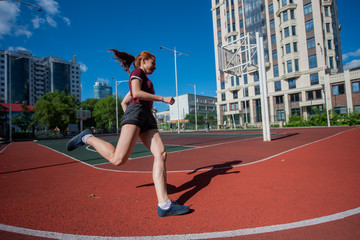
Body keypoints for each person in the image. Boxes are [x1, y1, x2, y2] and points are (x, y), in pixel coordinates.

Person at [66, 49, 189, 217]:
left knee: (161, 153)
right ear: (144, 60)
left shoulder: (145, 79)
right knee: (118, 159)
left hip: (147, 119)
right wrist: (140, 113)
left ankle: (164, 205)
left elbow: (125, 101)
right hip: (137, 114)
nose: (155, 67)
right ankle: (87, 137)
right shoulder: (137, 72)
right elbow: (136, 94)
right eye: (153, 63)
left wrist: (132, 119)